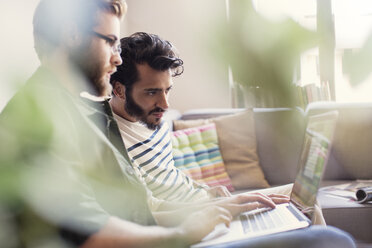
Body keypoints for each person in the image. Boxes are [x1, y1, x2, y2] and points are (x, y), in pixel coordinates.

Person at [0, 0, 356, 247]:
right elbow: (92, 237)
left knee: (309, 223)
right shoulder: (38, 118)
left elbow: (142, 209)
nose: (116, 56)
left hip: (170, 233)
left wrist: (209, 210)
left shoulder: (76, 110)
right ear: (71, 35)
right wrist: (187, 232)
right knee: (330, 241)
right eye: (109, 40)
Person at [108, 32, 324, 225]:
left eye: (167, 90)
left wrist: (207, 192)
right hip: (195, 221)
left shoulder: (151, 116)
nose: (165, 104)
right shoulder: (110, 139)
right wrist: (218, 207)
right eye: (152, 92)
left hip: (211, 204)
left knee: (303, 199)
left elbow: (167, 175)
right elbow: (150, 212)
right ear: (119, 89)